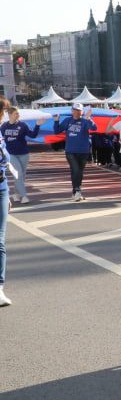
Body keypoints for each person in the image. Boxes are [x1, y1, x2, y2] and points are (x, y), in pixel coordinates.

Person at [56, 103, 96, 201]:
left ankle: (75, 192)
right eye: (75, 110)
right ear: (72, 110)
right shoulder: (67, 120)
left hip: (83, 151)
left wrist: (89, 118)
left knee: (79, 172)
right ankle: (77, 191)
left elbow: (94, 128)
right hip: (70, 151)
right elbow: (57, 131)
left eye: (79, 110)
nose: (77, 112)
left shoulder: (85, 121)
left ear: (82, 111)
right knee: (76, 170)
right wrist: (56, 121)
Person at [2, 108, 36, 204]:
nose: (18, 115)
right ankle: (24, 196)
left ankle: (16, 194)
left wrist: (38, 125)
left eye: (18, 113)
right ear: (10, 114)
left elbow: (33, 135)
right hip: (11, 154)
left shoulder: (23, 125)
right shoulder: (4, 126)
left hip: (24, 154)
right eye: (16, 113)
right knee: (18, 174)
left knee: (21, 176)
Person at [0, 128, 13, 305]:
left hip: (2, 190)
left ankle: (0, 288)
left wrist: (7, 195)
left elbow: (4, 164)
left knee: (0, 240)